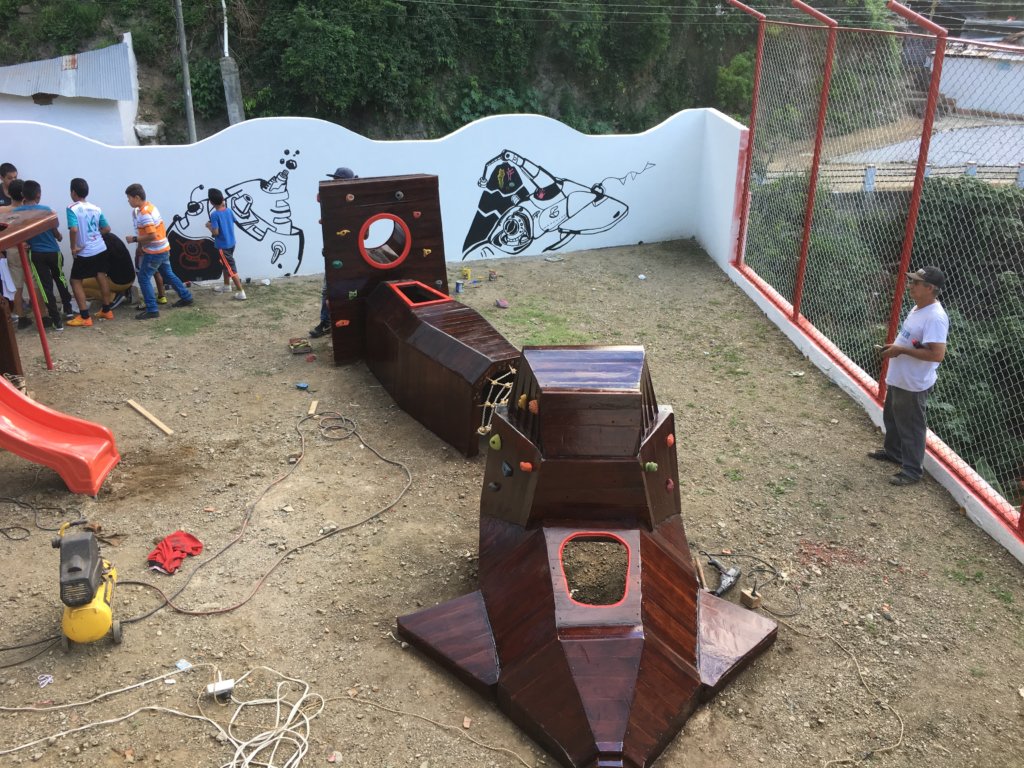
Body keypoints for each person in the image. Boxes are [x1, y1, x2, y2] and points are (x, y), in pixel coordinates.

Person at [869, 266, 949, 486]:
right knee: (893, 417)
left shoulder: (935, 317)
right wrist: (896, 348)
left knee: (911, 426)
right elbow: (912, 340)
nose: (910, 285)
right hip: (901, 376)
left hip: (913, 382)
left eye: (916, 283)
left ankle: (912, 471)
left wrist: (901, 351)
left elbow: (937, 354)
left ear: (930, 288)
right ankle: (894, 452)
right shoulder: (918, 308)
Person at [125, 183, 194, 320]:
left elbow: (152, 235)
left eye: (129, 198)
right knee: (168, 274)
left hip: (154, 251)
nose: (128, 201)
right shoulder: (150, 207)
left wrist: (134, 239)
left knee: (143, 278)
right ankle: (186, 297)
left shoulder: (144, 214)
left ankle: (152, 309)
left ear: (137, 197)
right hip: (163, 248)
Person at [310, 166, 357, 338]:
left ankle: (348, 324)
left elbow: (365, 234)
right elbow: (319, 197)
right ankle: (327, 322)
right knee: (327, 289)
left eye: (337, 181)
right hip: (334, 252)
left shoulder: (354, 204)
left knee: (350, 290)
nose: (333, 184)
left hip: (350, 253)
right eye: (334, 181)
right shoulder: (333, 203)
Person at [15, 180, 68, 330]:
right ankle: (69, 309)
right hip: (53, 251)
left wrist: (24, 241)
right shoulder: (47, 210)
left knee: (45, 287)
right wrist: (59, 237)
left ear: (22, 194)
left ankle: (56, 321)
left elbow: (17, 232)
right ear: (38, 194)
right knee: (60, 279)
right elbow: (55, 230)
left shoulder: (17, 213)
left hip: (36, 254)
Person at [65, 177, 116, 327]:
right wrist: (95, 235)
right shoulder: (96, 208)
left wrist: (73, 247)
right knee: (101, 276)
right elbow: (107, 229)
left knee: (75, 281)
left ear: (73, 192)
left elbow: (74, 229)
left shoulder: (72, 208)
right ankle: (107, 310)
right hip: (100, 248)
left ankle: (84, 316)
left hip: (85, 251)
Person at [0, 171, 33, 329]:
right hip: (27, 249)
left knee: (17, 287)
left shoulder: (3, 211)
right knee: (34, 284)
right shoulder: (29, 210)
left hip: (12, 250)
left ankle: (21, 317)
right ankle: (43, 313)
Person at [205, 187, 246, 300]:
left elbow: (216, 233)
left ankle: (241, 292)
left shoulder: (214, 215)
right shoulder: (228, 211)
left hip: (223, 246)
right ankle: (227, 286)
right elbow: (232, 221)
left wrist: (209, 226)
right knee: (225, 265)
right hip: (231, 243)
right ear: (222, 198)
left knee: (231, 268)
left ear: (211, 202)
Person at [82, 232, 136, 309]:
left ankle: (113, 297)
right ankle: (125, 291)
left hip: (118, 282)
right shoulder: (111, 236)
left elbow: (98, 271)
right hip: (130, 278)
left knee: (80, 285)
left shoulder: (101, 247)